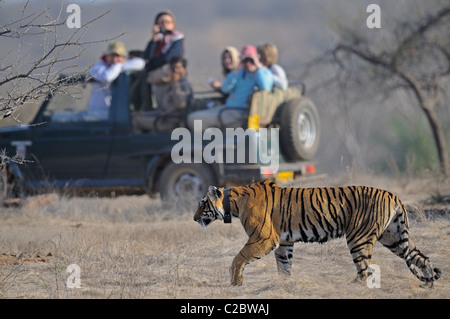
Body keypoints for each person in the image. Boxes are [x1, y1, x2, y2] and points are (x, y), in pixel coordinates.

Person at [187, 45, 273, 130]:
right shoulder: (240, 72)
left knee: (195, 120)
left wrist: (257, 66)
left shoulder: (261, 72)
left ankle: (215, 140)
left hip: (239, 113)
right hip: (228, 108)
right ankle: (213, 138)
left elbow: (266, 88)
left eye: (250, 59)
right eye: (245, 59)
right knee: (194, 116)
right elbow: (225, 88)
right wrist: (237, 69)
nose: (248, 63)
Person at [86, 41, 144, 121]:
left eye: (118, 56)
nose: (114, 59)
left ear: (123, 57)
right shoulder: (97, 68)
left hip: (115, 117)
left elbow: (140, 63)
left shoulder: (119, 67)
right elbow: (107, 77)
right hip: (96, 116)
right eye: (112, 55)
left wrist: (119, 66)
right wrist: (119, 65)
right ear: (106, 56)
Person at [133, 57, 192, 133]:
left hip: (172, 124)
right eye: (173, 68)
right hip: (163, 119)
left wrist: (175, 84)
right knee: (136, 117)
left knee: (135, 122)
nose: (175, 71)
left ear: (184, 70)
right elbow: (162, 110)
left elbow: (181, 104)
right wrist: (142, 114)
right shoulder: (170, 85)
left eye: (178, 67)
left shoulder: (184, 84)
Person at [143, 10, 185, 108]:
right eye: (161, 22)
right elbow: (147, 56)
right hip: (157, 81)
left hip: (171, 79)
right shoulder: (157, 40)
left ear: (173, 24)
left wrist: (151, 65)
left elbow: (169, 57)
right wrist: (154, 38)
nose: (165, 25)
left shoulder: (177, 38)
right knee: (160, 106)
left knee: (172, 107)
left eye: (168, 22)